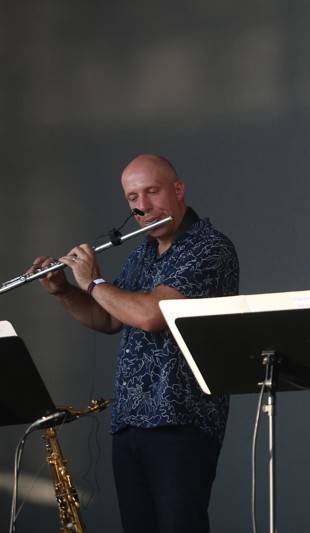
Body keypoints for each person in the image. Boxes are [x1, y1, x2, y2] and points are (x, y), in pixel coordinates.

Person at [30, 154, 239, 532]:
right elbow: (110, 317)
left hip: (181, 421)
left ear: (178, 190)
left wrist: (93, 282)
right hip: (130, 422)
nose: (142, 207)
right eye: (132, 198)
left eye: (152, 192)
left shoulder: (209, 247)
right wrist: (64, 290)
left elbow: (151, 316)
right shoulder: (142, 253)